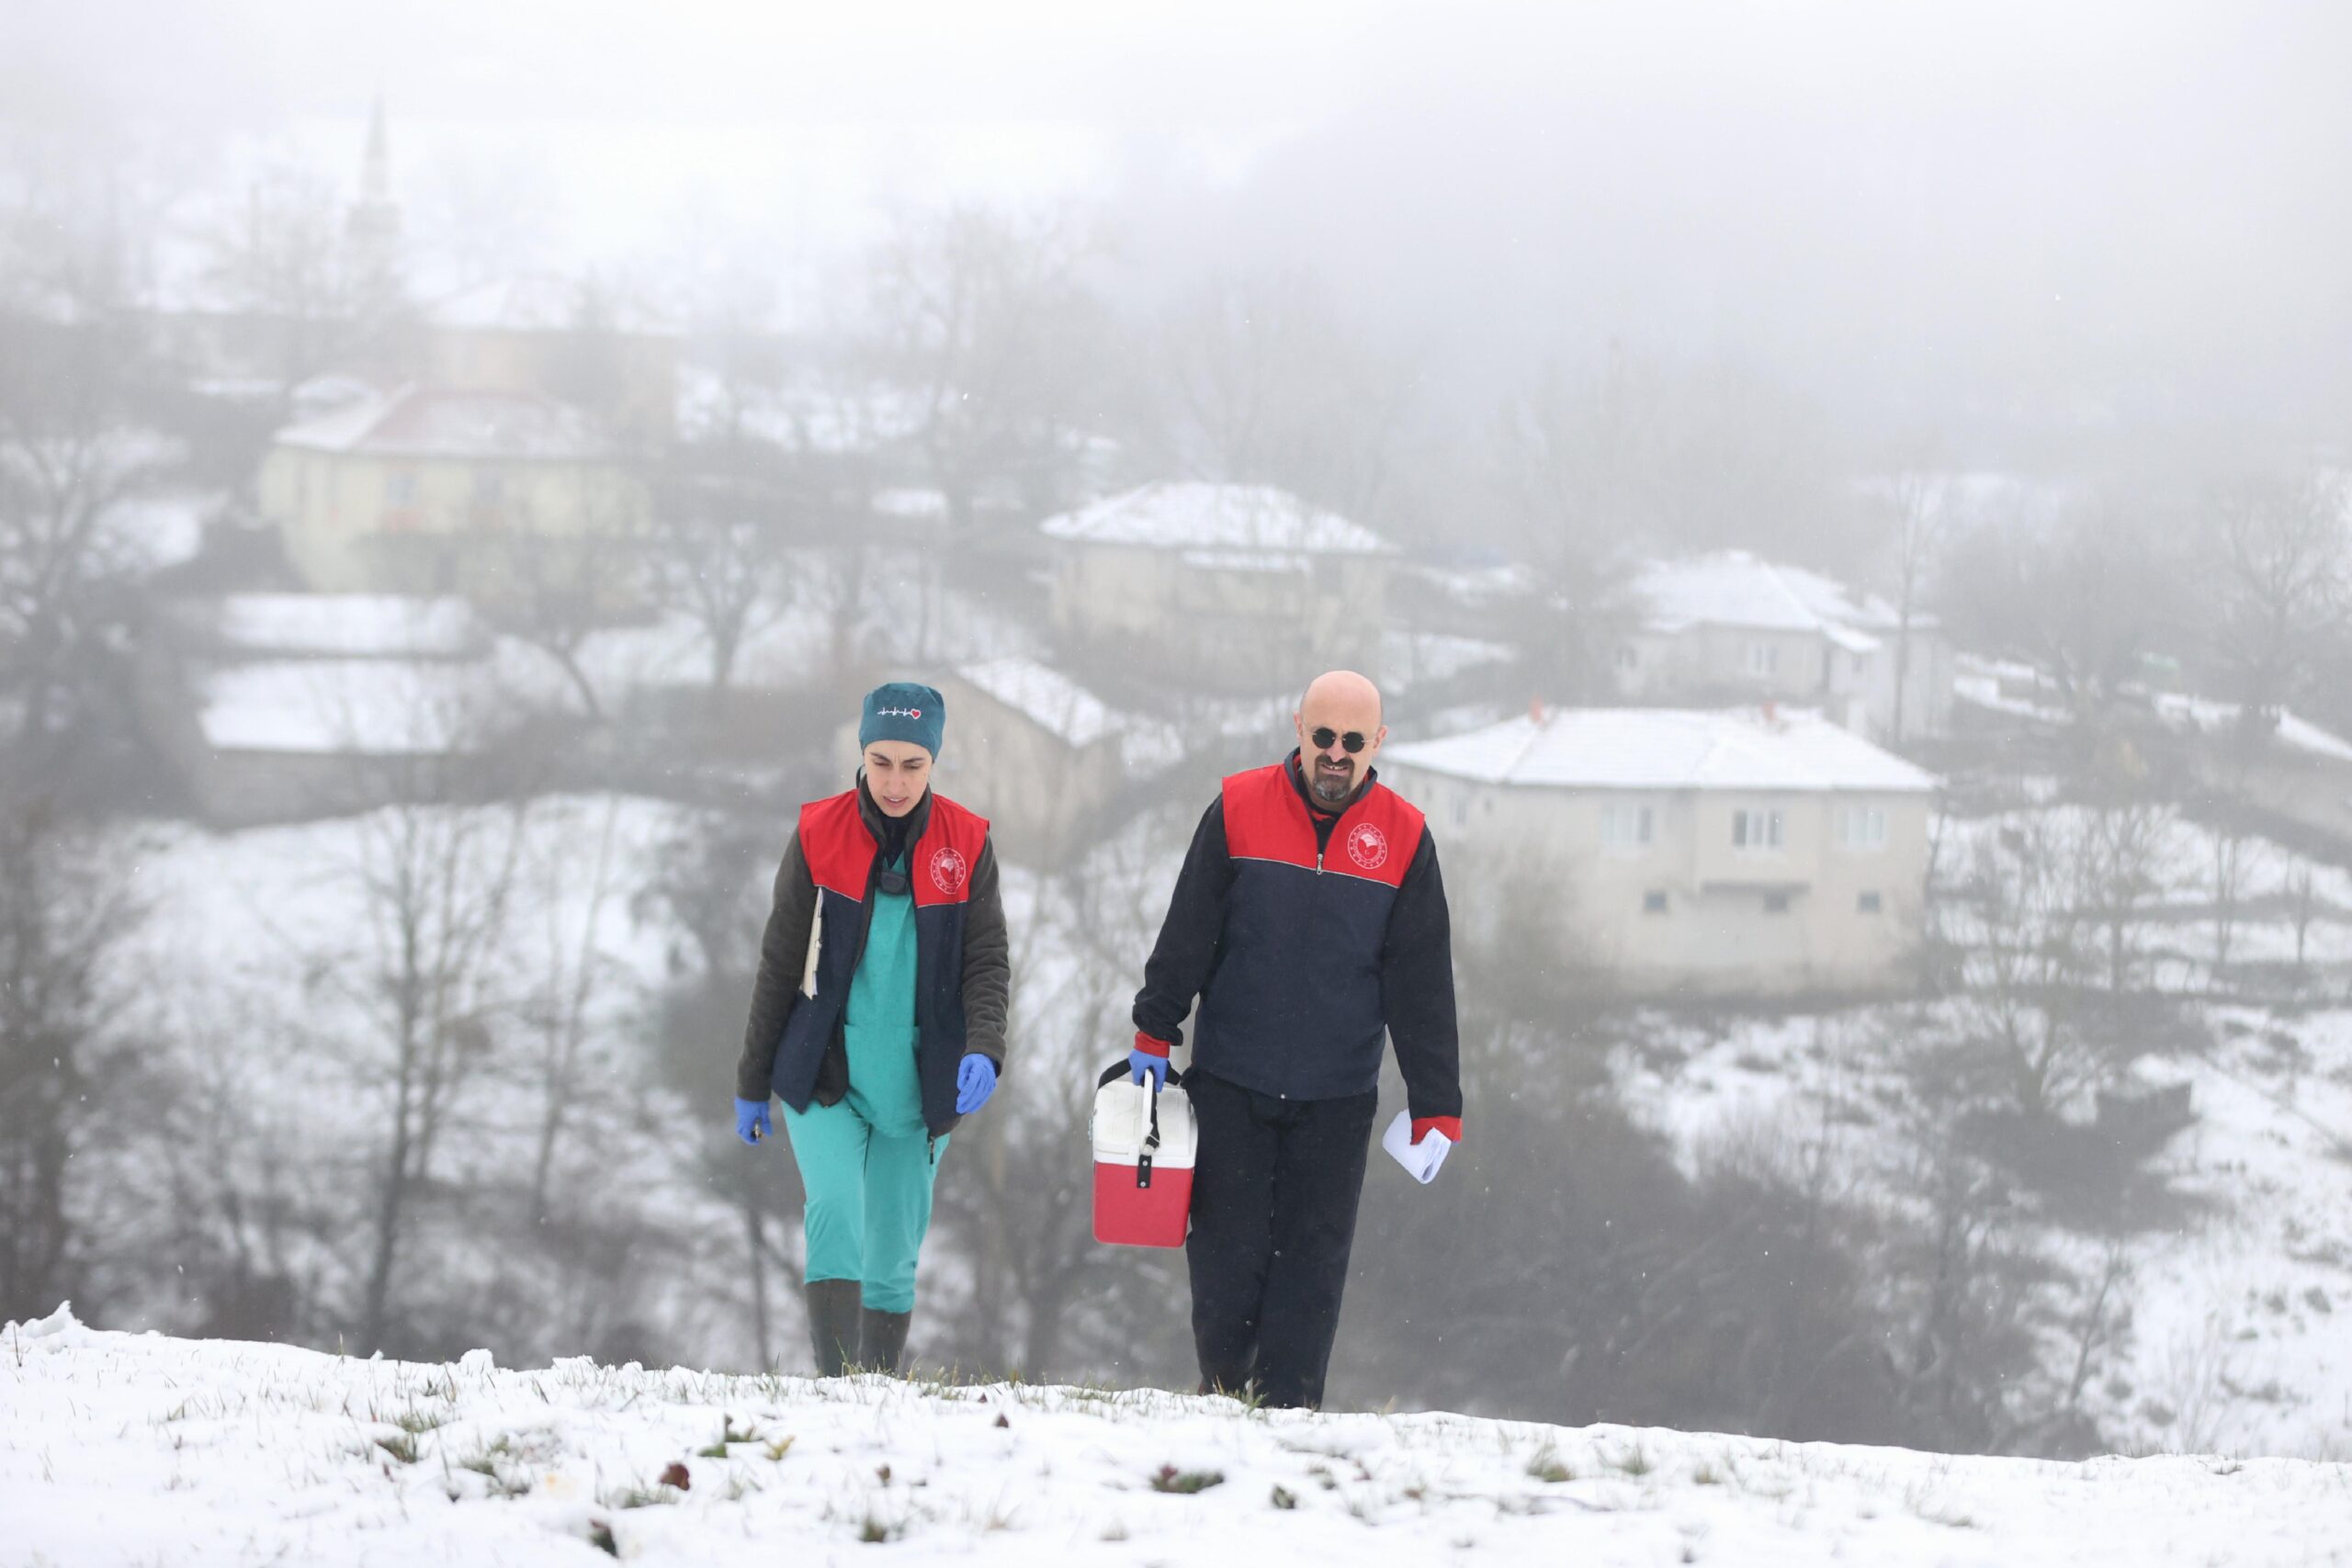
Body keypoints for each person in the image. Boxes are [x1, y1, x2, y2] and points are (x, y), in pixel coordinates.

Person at [1128, 669, 1462, 1409]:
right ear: (1297, 729)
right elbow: (1189, 928)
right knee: (1225, 1259)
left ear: (1378, 743)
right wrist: (1156, 1026)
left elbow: (1421, 982)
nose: (1335, 754)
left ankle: (1292, 1413)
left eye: (1352, 740)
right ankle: (1220, 1395)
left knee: (1312, 1270)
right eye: (1322, 736)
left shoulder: (1405, 838)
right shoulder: (1239, 808)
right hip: (1230, 1078)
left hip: (1337, 1095)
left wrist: (1437, 1099)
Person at [733, 682, 1009, 1376]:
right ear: (861, 753)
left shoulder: (967, 844)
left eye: (912, 765)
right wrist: (751, 1080)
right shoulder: (819, 833)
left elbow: (987, 961)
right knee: (835, 1215)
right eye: (881, 761)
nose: (894, 781)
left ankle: (878, 1386)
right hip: (826, 1072)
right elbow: (778, 960)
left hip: (918, 1082)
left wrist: (985, 1047)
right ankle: (835, 1384)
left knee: (894, 1245)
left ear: (933, 763)